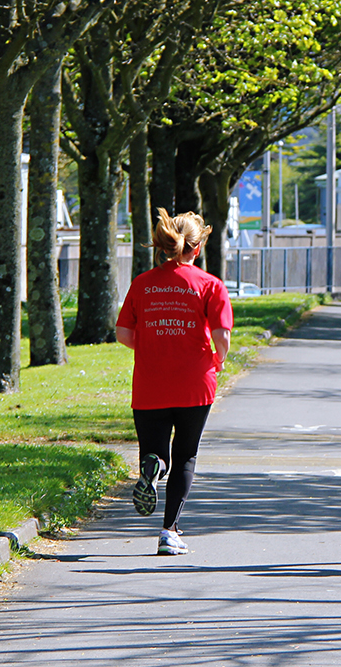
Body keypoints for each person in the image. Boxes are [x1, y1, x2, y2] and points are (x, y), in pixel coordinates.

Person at [115, 209, 233, 556]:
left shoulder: (143, 283)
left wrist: (154, 343)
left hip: (150, 381)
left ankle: (152, 467)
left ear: (163, 245)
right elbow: (221, 335)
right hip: (195, 382)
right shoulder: (210, 285)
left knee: (155, 450)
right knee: (186, 455)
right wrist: (219, 358)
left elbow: (123, 333)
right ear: (196, 248)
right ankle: (169, 531)